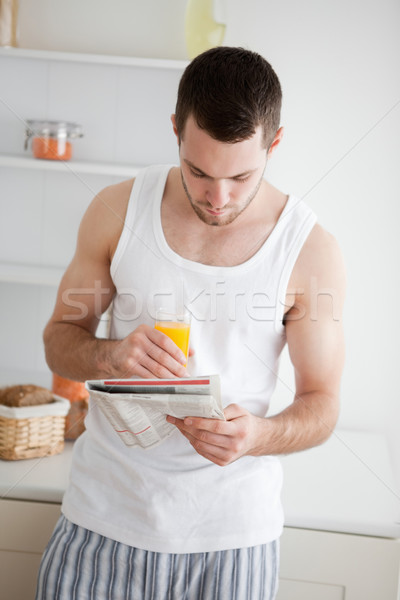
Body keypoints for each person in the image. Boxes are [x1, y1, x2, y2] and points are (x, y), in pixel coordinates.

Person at [36, 46, 345, 600]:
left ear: (274, 143)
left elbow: (321, 403)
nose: (217, 198)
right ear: (176, 130)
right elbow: (59, 342)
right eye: (198, 171)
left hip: (231, 538)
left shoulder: (310, 251)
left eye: (240, 177)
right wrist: (108, 355)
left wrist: (259, 436)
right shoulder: (116, 209)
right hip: (101, 519)